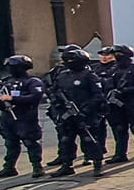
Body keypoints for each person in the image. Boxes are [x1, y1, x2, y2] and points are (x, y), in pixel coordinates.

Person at [45, 46, 106, 179]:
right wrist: (60, 108)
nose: (69, 63)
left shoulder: (90, 76)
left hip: (86, 115)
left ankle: (97, 164)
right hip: (67, 115)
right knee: (66, 140)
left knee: (89, 139)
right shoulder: (62, 76)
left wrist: (85, 111)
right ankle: (67, 165)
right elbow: (54, 92)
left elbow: (98, 96)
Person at [0, 53, 46, 179]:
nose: (10, 69)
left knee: (30, 142)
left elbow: (34, 97)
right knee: (10, 143)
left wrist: (13, 98)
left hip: (25, 118)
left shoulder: (33, 82)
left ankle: (37, 166)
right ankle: (9, 167)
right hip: (8, 118)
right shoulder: (7, 81)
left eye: (13, 67)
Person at [101, 44, 134, 165]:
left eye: (120, 54)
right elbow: (106, 84)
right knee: (119, 129)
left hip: (131, 102)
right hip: (116, 104)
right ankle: (120, 154)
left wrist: (126, 90)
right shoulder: (113, 70)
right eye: (116, 54)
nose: (117, 57)